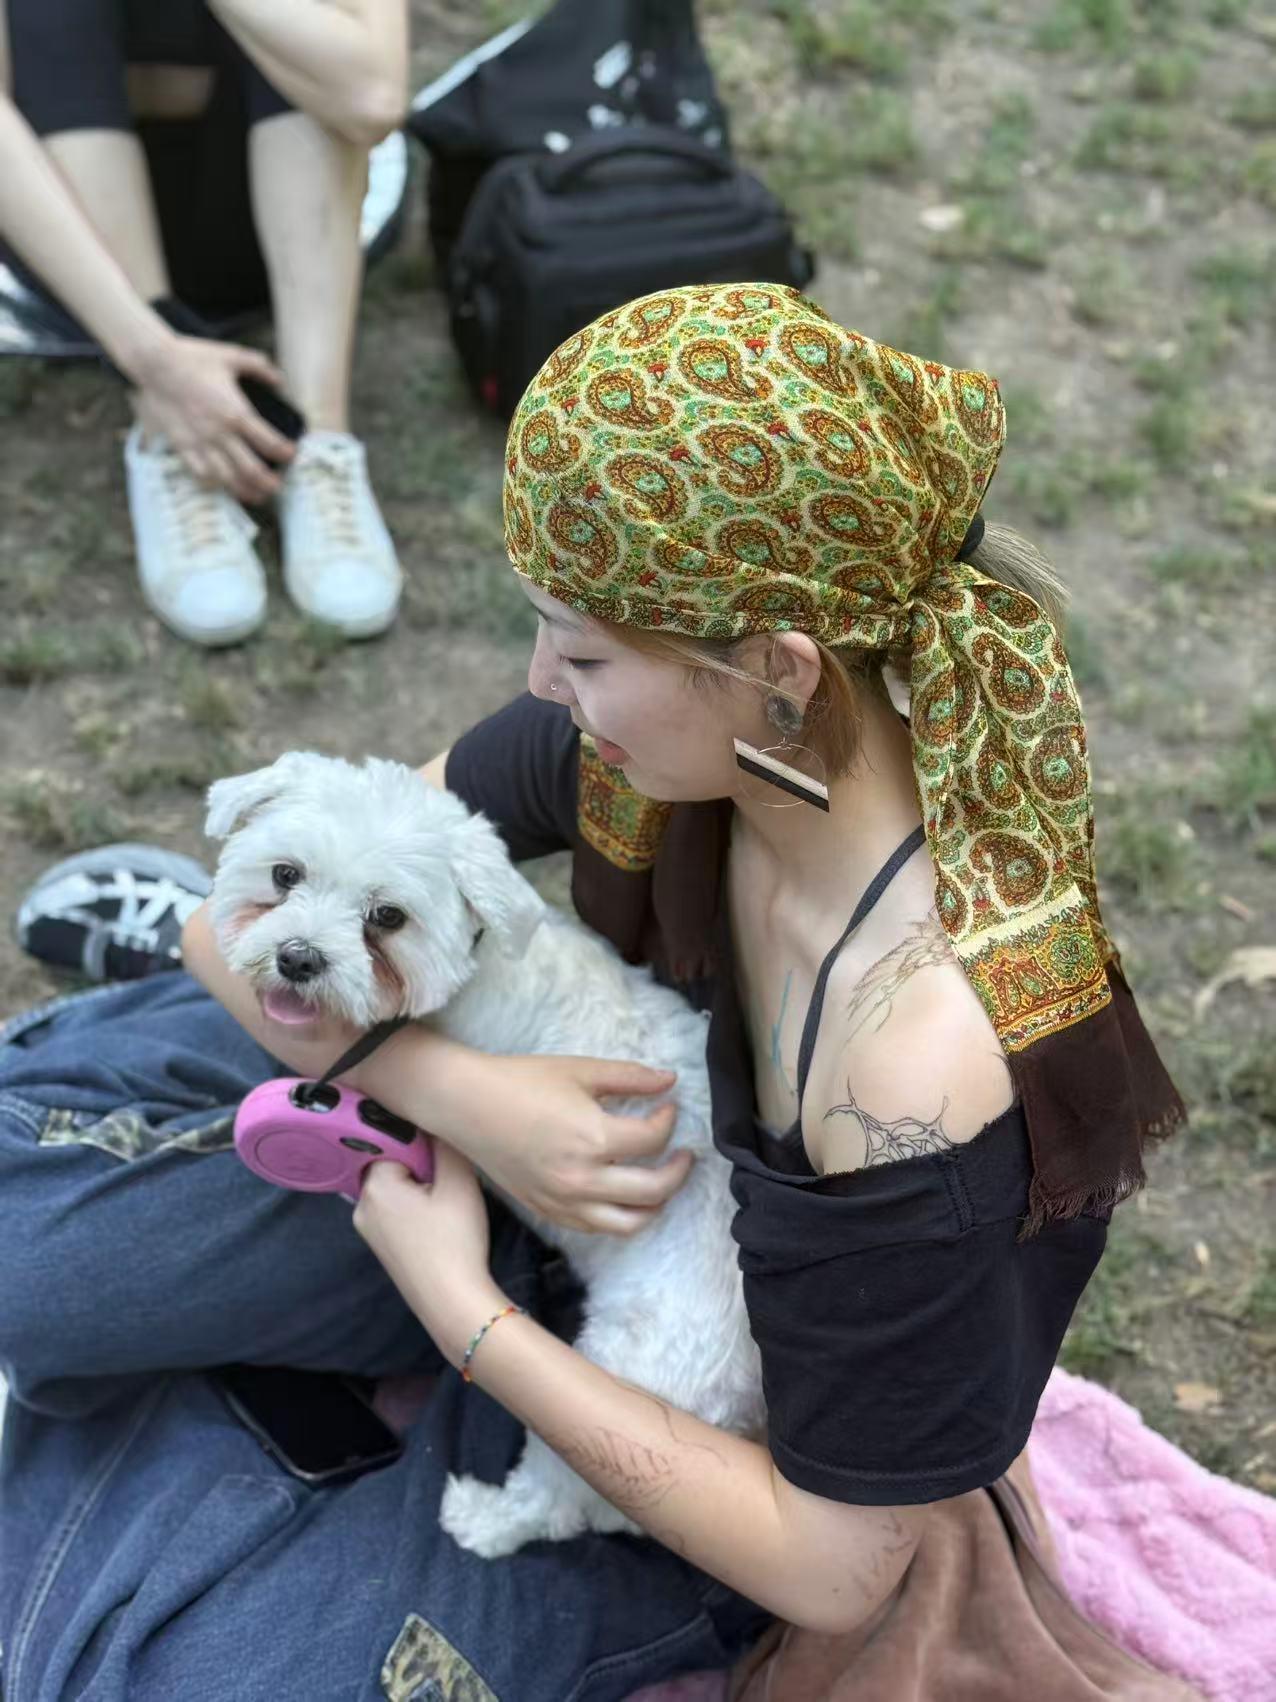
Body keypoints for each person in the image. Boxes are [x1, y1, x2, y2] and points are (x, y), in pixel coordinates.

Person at [0, 285, 1189, 1701]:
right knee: (32, 1261)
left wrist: (464, 1315)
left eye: (579, 652)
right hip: (505, 1192)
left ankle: (319, 1429)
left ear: (779, 672)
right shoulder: (665, 747)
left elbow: (833, 1569)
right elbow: (235, 922)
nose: (540, 681)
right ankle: (303, 1424)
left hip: (705, 1411)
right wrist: (470, 1101)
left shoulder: (915, 1058)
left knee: (220, 1679)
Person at [0, 0, 408, 646]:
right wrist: (151, 357)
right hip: (73, 244)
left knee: (308, 36)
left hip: (266, 216)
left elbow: (371, 97)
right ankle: (170, 432)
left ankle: (317, 439)